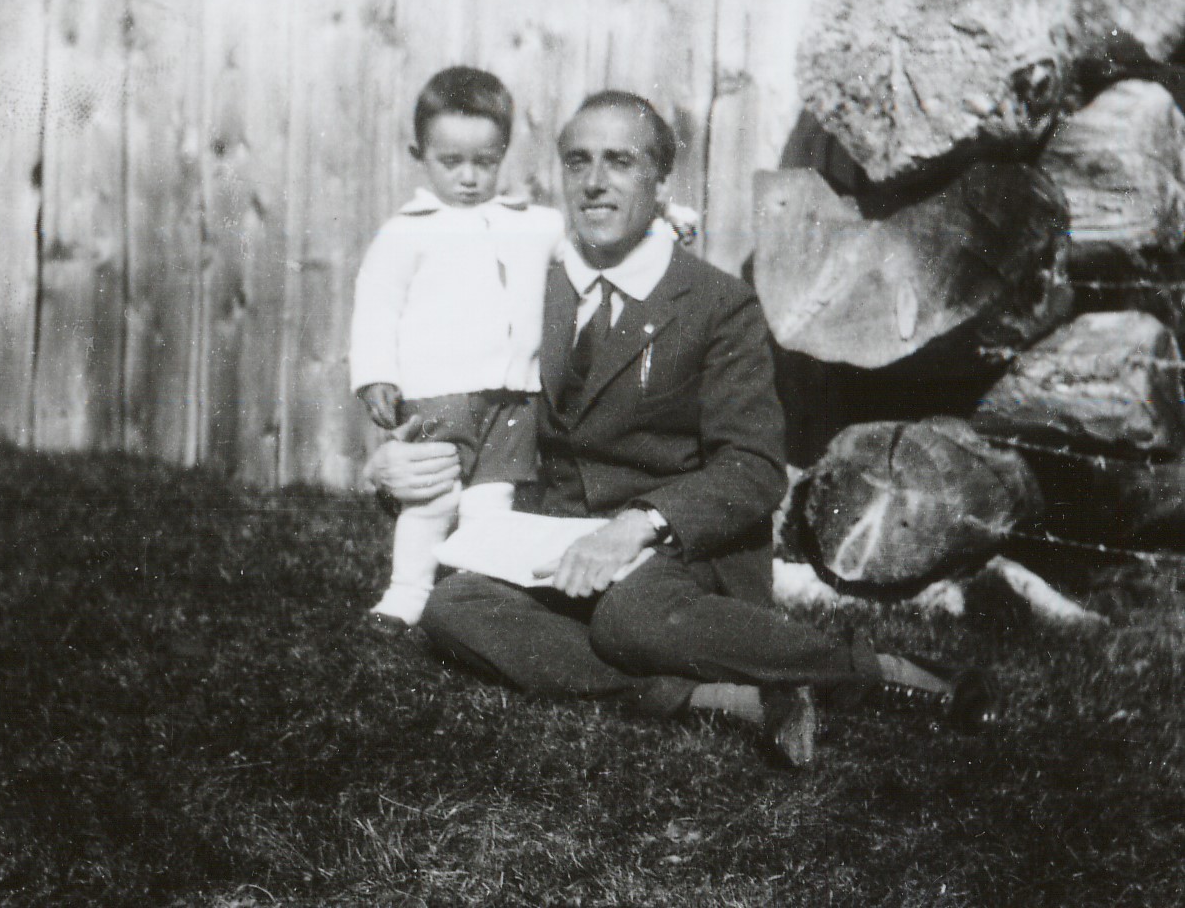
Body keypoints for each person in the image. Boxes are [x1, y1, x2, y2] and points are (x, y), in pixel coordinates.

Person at [364, 91, 993, 767]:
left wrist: (637, 526)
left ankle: (881, 672)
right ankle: (722, 699)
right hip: (557, 549)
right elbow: (470, 404)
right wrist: (392, 468)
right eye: (578, 162)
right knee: (452, 604)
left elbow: (753, 467)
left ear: (661, 182)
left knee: (629, 618)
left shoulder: (717, 304)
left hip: (681, 555)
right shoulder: (526, 289)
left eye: (620, 162)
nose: (595, 182)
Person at [349, 66, 564, 629]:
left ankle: (473, 596)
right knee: (432, 495)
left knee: (491, 501)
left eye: (485, 162)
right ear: (419, 154)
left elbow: (594, 248)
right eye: (451, 162)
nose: (469, 177)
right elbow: (376, 304)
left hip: (514, 395)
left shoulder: (532, 224)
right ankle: (406, 593)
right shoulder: (406, 231)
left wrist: (663, 225)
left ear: (503, 153)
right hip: (437, 393)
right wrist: (375, 374)